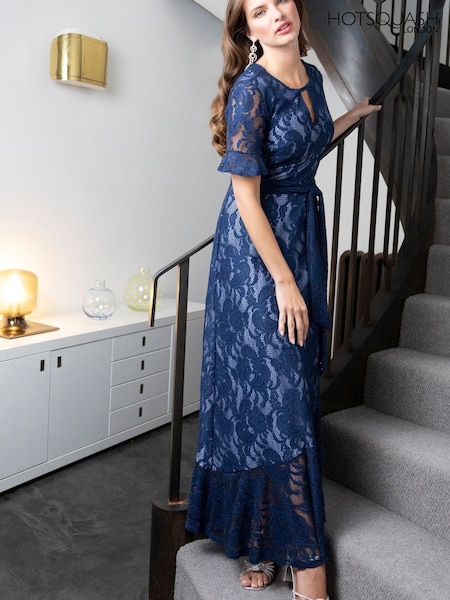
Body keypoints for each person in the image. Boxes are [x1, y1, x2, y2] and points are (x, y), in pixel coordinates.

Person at [185, 1, 381, 599]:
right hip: (256, 256)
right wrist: (284, 280)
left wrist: (350, 118)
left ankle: (270, 542)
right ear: (247, 29)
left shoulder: (313, 77)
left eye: (280, 1)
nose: (277, 15)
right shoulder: (251, 88)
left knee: (291, 387)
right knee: (269, 395)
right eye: (259, 10)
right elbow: (246, 196)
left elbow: (305, 147)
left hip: (300, 238)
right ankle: (302, 560)